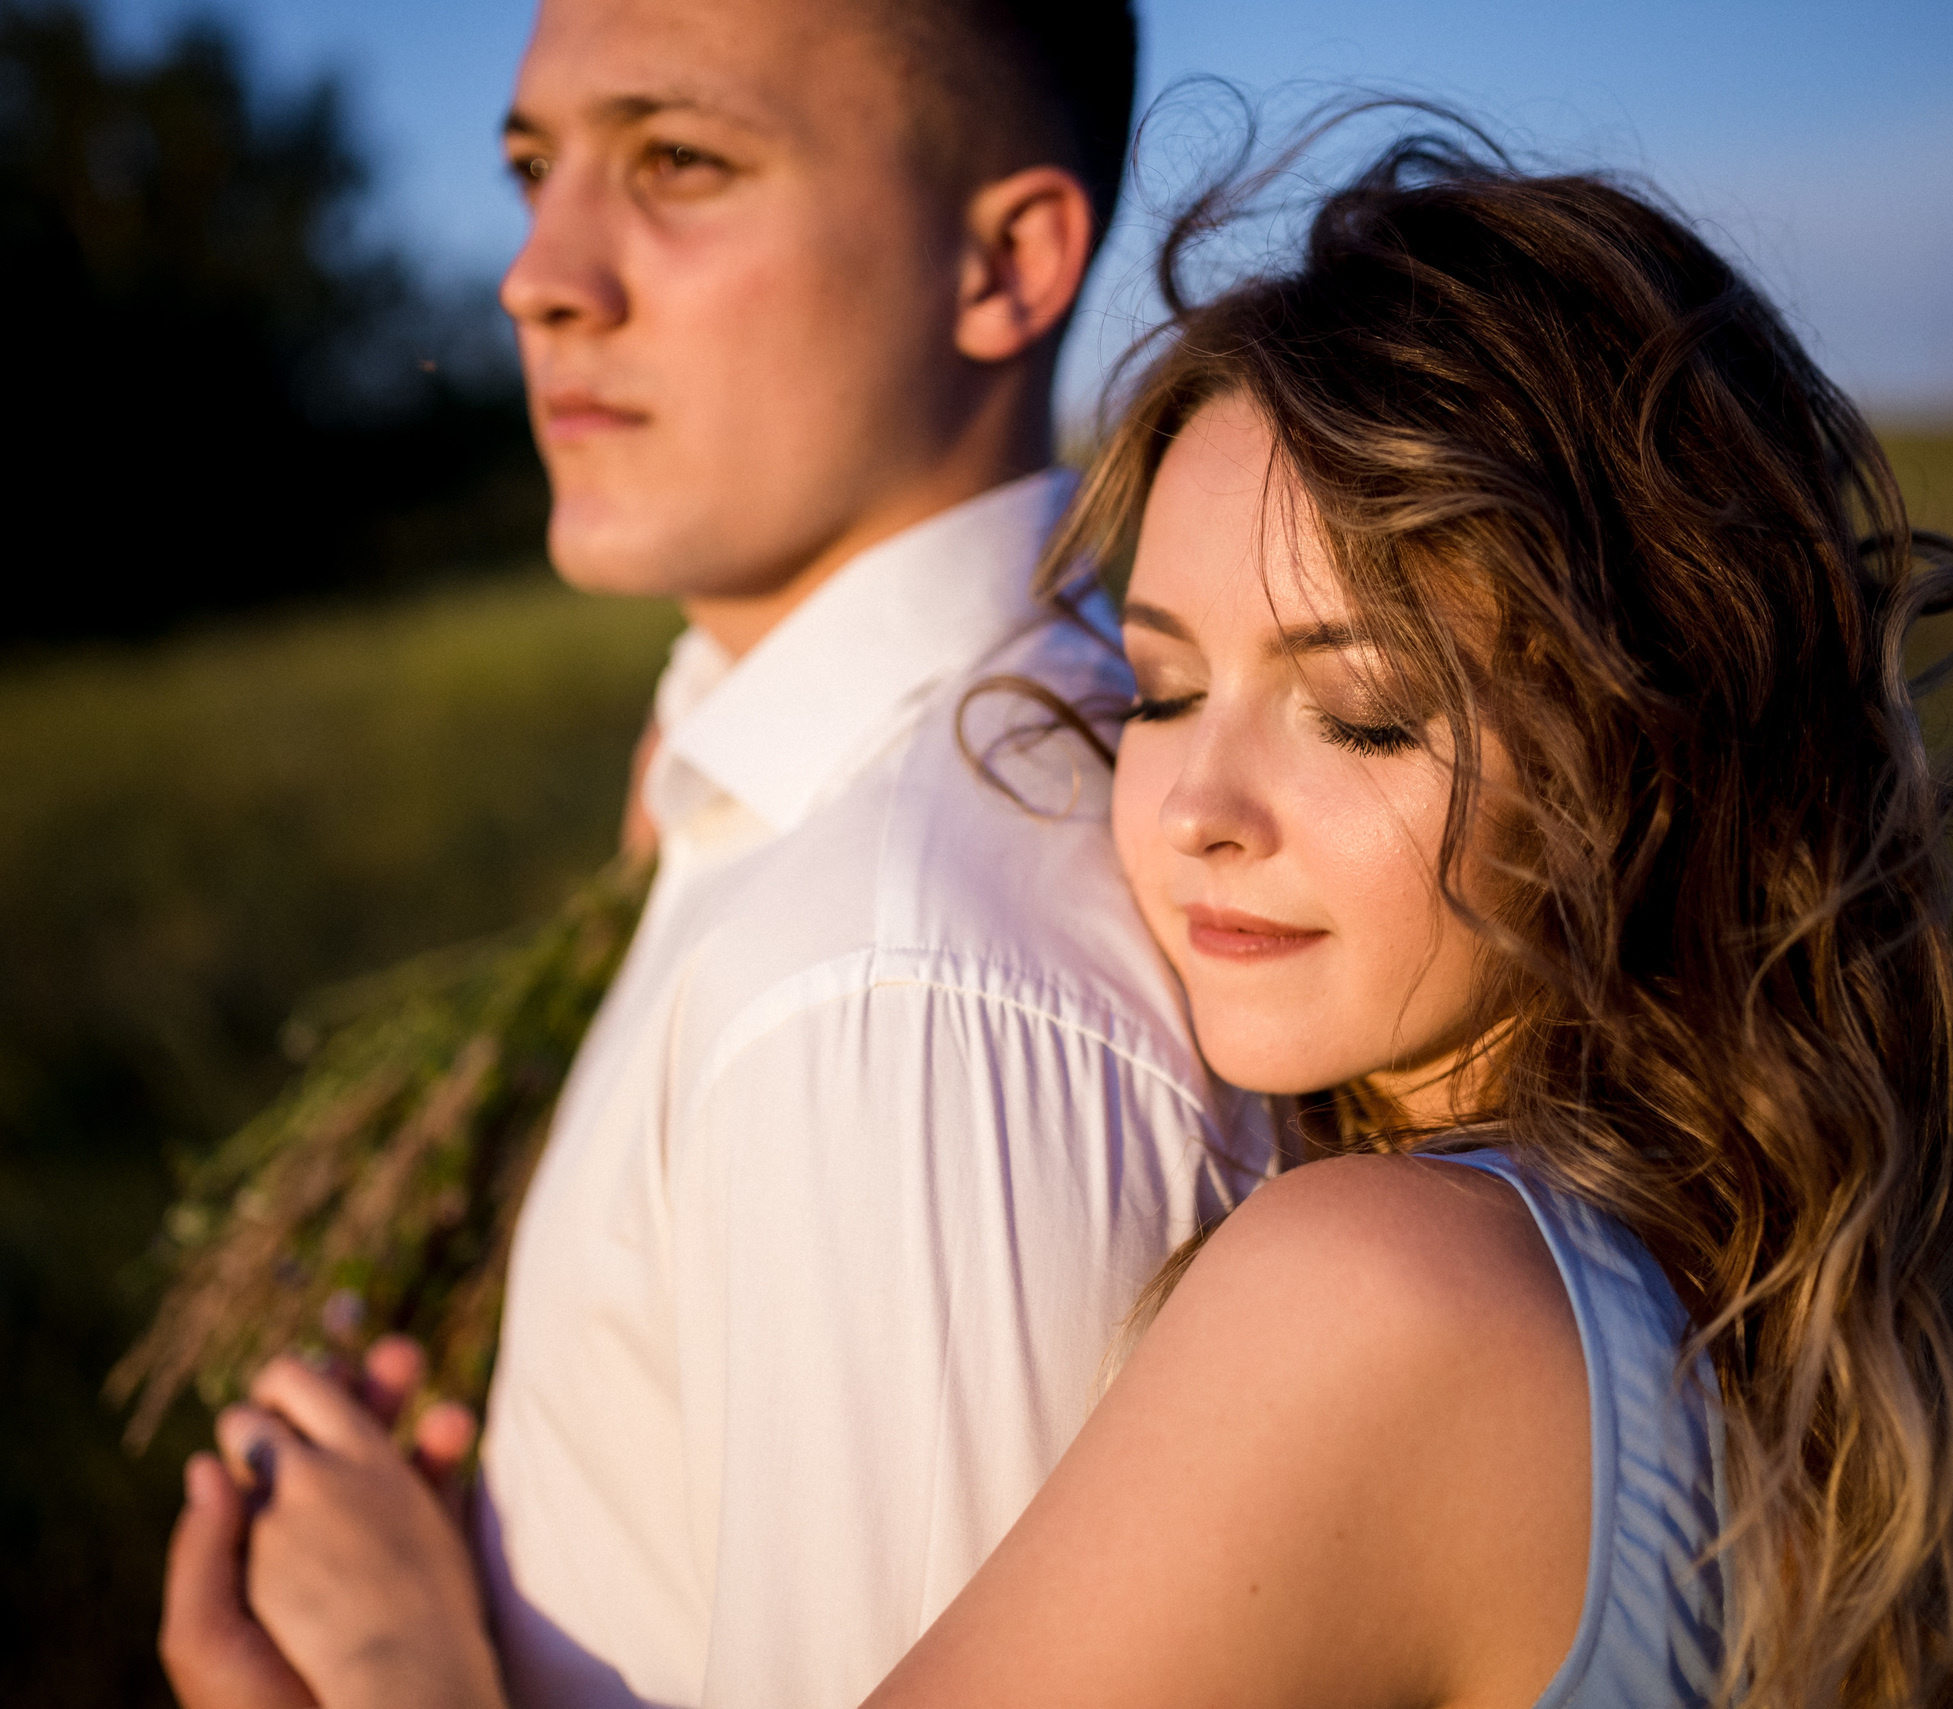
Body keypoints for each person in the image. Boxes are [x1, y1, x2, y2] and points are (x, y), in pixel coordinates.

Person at [169, 118, 1953, 1709]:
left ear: (1658, 751)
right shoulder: (1695, 1278)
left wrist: (408, 1672)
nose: (1201, 810)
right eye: (1155, 688)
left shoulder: (1379, 1291)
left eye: (1364, 710)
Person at [160, 3, 1279, 1708]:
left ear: (1006, 264)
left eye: (680, 160)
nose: (539, 274)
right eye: (538, 170)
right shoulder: (779, 801)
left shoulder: (893, 993)